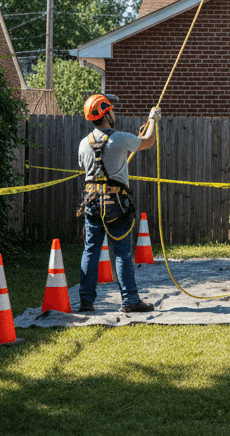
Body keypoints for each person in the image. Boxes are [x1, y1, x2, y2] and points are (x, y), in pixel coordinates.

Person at [78, 94, 160, 313]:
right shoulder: (121, 138)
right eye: (111, 111)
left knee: (91, 250)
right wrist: (153, 119)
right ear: (106, 114)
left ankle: (86, 301)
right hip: (116, 205)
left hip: (92, 203)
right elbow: (149, 141)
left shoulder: (83, 144)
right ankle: (130, 299)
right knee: (122, 252)